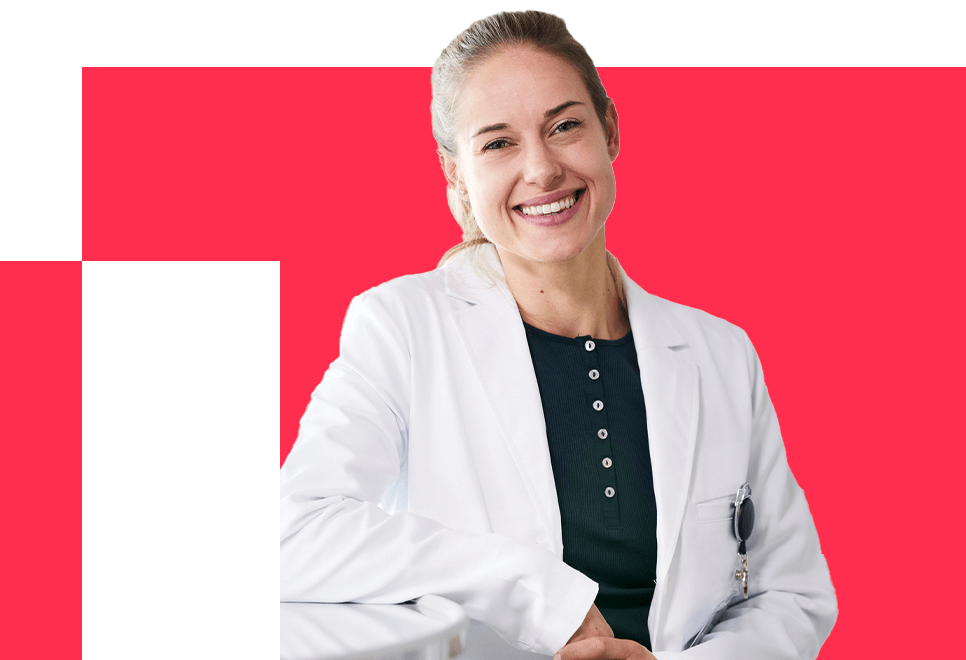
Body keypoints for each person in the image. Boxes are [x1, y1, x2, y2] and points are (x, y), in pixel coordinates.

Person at [280, 10, 837, 660]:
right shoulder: (402, 327)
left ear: (610, 129)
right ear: (456, 174)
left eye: (565, 126)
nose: (542, 170)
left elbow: (792, 594)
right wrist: (539, 595)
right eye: (498, 144)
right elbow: (296, 532)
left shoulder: (721, 354)